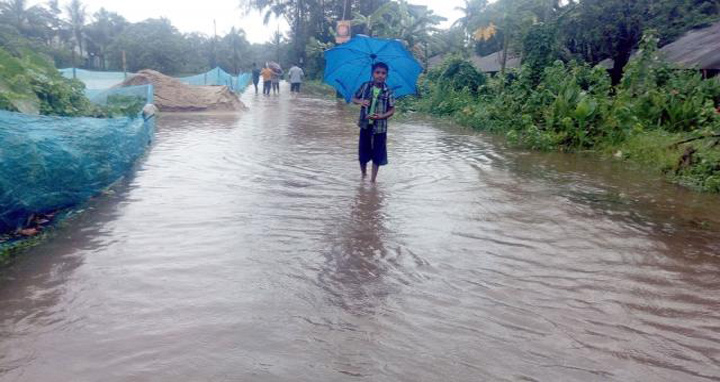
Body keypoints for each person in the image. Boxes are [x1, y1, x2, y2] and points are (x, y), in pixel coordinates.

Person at [351, 62, 395, 183]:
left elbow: (392, 110)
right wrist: (361, 101)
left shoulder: (388, 91)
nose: (380, 75)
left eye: (383, 73)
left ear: (386, 75)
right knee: (362, 152)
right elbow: (353, 98)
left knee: (377, 154)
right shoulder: (365, 86)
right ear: (372, 74)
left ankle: (372, 180)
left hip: (380, 128)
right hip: (365, 125)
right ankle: (363, 175)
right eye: (377, 72)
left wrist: (381, 116)